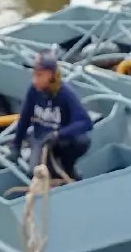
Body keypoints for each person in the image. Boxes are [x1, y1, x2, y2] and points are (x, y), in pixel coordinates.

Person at [11, 51, 93, 180]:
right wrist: (16, 145)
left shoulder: (65, 93)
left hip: (59, 140)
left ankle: (68, 167)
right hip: (40, 140)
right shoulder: (33, 91)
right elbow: (24, 119)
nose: (35, 80)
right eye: (34, 75)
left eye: (39, 75)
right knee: (35, 173)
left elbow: (85, 122)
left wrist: (59, 134)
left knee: (82, 141)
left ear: (50, 75)